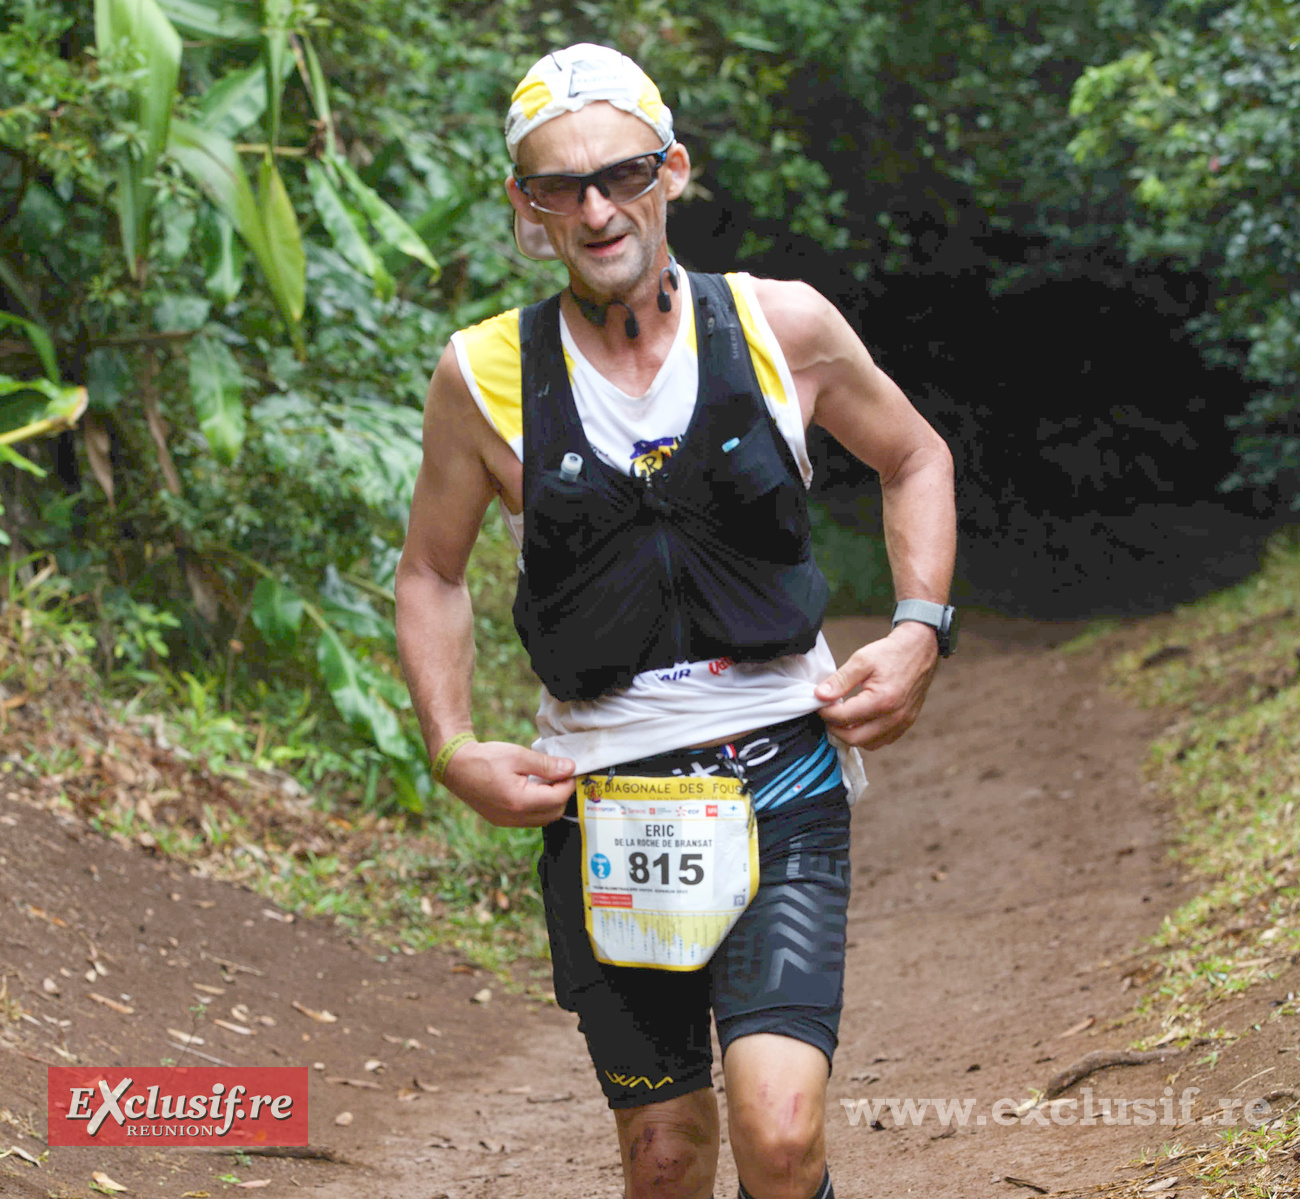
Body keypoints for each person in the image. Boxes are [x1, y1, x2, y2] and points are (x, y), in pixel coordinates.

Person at [395, 43, 956, 1199]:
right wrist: (451, 748)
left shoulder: (777, 327)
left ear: (672, 174)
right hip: (606, 801)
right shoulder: (484, 374)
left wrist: (916, 628)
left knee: (782, 1132)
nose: (597, 209)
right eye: (561, 186)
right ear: (527, 207)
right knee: (665, 1153)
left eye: (622, 174)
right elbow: (430, 574)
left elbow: (915, 456)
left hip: (783, 778)